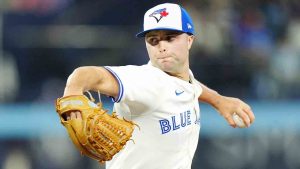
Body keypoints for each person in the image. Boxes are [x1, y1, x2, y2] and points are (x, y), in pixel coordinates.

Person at [62, 3, 255, 169]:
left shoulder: (182, 79)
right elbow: (86, 75)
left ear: (190, 40)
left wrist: (219, 100)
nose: (161, 46)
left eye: (170, 38)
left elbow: (190, 87)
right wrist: (72, 94)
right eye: (153, 40)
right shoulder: (145, 81)